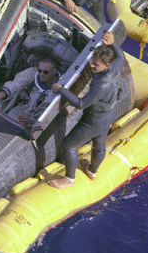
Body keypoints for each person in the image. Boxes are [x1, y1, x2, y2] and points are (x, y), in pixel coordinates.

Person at [48, 32, 124, 189]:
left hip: (94, 120)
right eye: (92, 61)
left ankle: (69, 179)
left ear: (106, 66)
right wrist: (113, 42)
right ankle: (92, 171)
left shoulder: (102, 84)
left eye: (96, 65)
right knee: (99, 145)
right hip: (108, 115)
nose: (91, 66)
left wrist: (61, 89)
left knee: (68, 145)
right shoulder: (117, 64)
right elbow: (121, 55)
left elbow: (81, 103)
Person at [0, 56, 60, 125]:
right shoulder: (32, 73)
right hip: (21, 110)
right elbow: (15, 84)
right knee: (2, 125)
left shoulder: (61, 86)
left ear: (54, 71)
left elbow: (55, 113)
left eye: (45, 72)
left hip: (38, 119)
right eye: (39, 70)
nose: (41, 74)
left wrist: (33, 121)